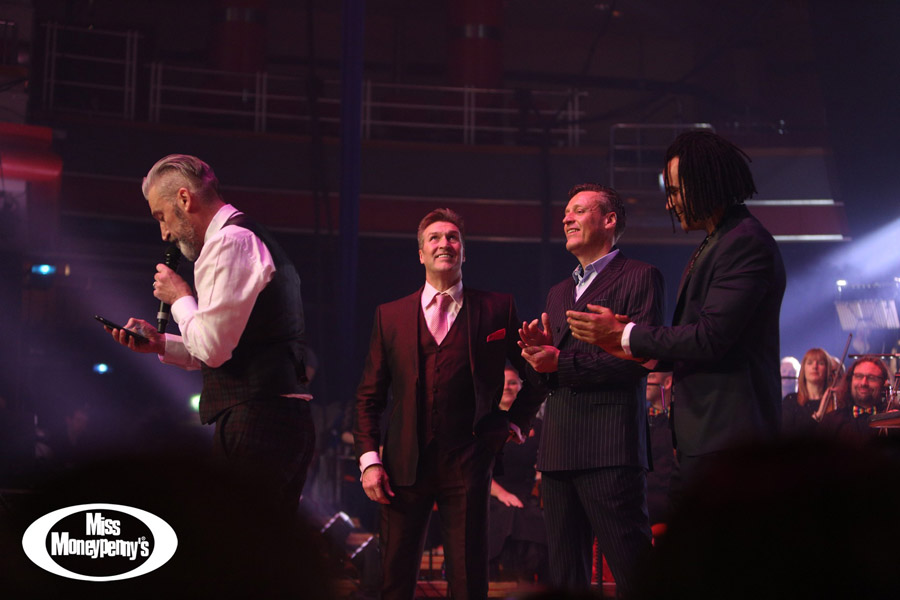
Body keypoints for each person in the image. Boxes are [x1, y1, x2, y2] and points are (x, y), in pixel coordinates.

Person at [565, 131, 786, 510]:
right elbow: (699, 341)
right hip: (708, 438)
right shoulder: (720, 242)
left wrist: (627, 335)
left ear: (705, 183)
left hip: (730, 439)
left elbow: (710, 338)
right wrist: (623, 343)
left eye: (675, 191)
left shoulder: (744, 242)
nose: (670, 203)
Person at [104, 154, 315, 512]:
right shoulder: (246, 237)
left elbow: (213, 349)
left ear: (185, 199)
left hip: (256, 419)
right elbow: (226, 343)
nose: (164, 233)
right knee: (262, 541)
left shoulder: (228, 243)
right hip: (277, 418)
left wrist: (179, 297)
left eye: (161, 216)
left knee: (233, 538)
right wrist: (161, 343)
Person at [353, 208, 544, 600]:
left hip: (469, 462)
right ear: (420, 253)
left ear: (464, 251)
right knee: (394, 578)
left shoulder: (497, 308)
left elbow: (537, 374)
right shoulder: (390, 316)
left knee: (469, 579)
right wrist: (370, 461)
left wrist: (514, 422)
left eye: (453, 237)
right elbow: (369, 397)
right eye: (435, 238)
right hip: (403, 467)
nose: (445, 244)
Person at [518, 183, 665, 596]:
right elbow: (548, 376)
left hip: (610, 450)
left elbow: (637, 361)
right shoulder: (558, 292)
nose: (567, 218)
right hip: (557, 451)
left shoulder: (640, 276)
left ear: (609, 220)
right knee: (566, 580)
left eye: (579, 210)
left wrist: (560, 362)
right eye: (566, 212)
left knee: (634, 572)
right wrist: (536, 357)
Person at [489, 365, 548, 584]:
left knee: (533, 517)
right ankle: (500, 580)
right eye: (503, 383)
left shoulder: (538, 426)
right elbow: (477, 468)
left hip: (524, 492)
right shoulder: (487, 424)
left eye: (513, 382)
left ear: (521, 388)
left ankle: (528, 581)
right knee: (508, 514)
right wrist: (503, 494)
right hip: (492, 492)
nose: (507, 387)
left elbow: (542, 461)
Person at [819, 355, 893, 441]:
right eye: (859, 376)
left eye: (871, 378)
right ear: (850, 380)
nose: (863, 383)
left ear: (884, 384)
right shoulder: (831, 421)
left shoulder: (893, 420)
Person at [781, 348, 838, 436]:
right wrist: (817, 415)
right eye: (810, 363)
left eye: (821, 363)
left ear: (827, 370)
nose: (815, 367)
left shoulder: (834, 401)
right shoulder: (790, 400)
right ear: (803, 370)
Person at [645, 371, 674, 527]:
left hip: (669, 497)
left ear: (667, 383)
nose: (645, 382)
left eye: (651, 377)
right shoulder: (642, 418)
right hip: (648, 497)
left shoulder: (677, 420)